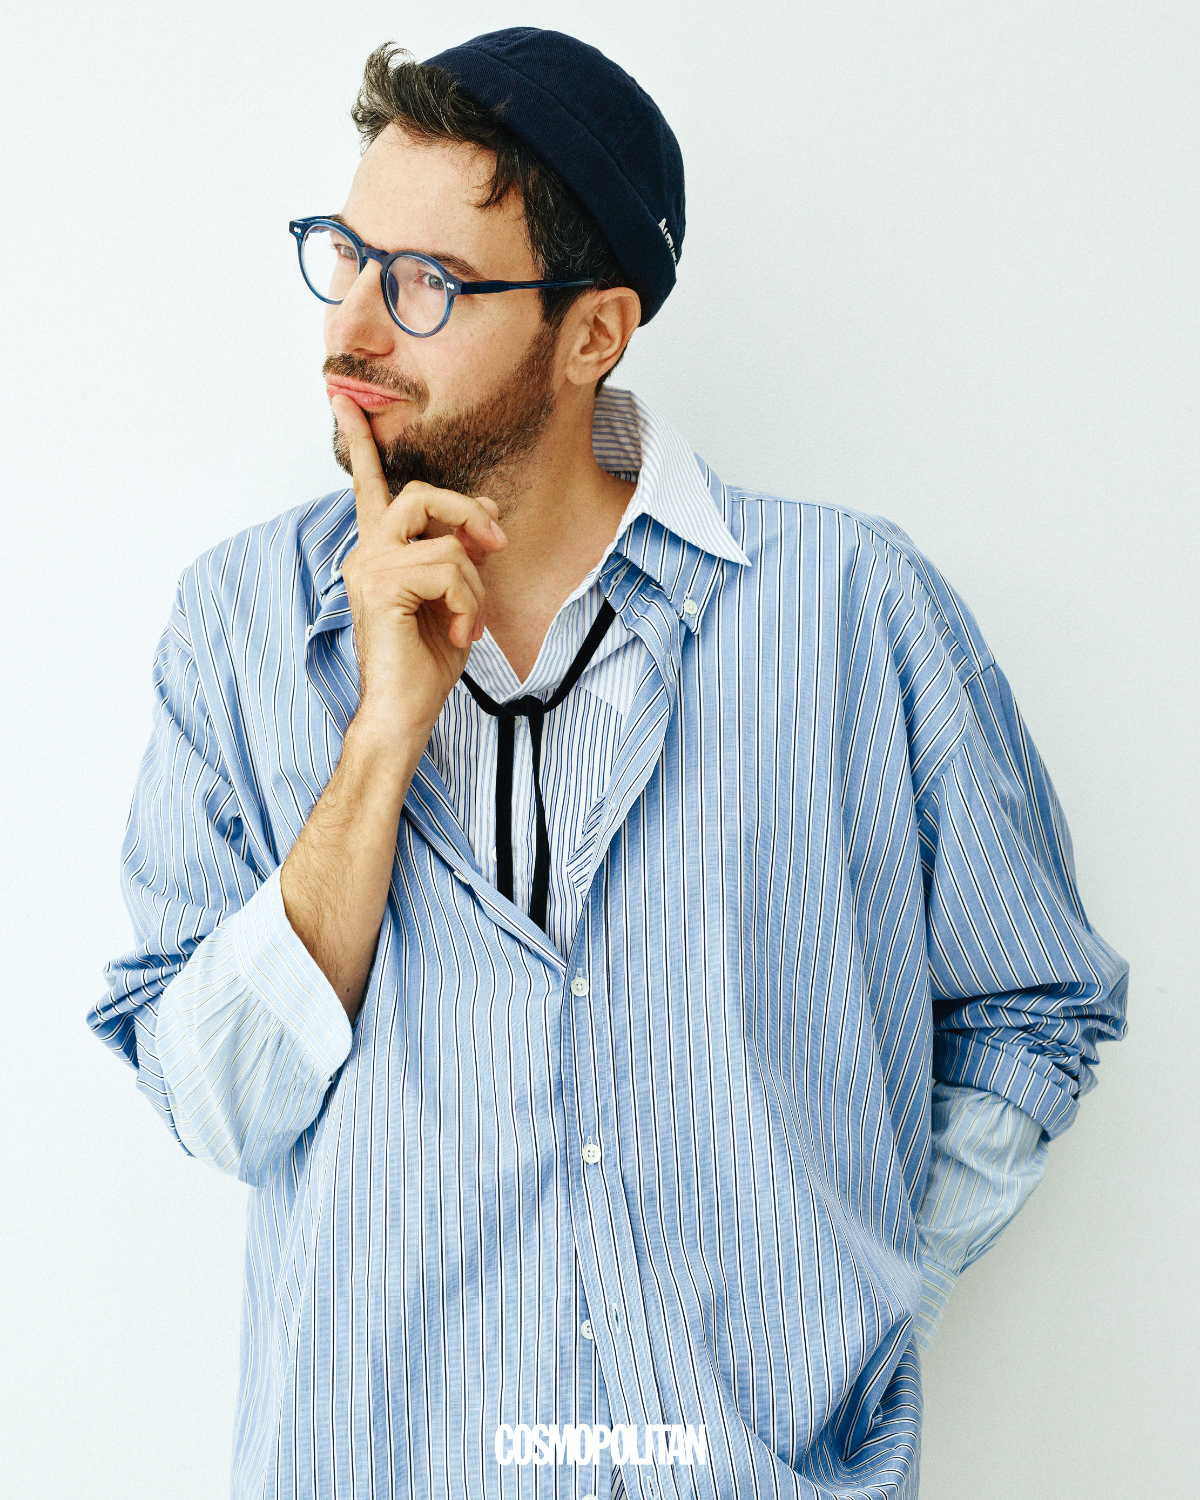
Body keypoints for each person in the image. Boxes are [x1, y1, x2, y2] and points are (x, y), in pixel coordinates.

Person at [87, 27, 1128, 1500]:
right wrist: (381, 737)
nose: (353, 329)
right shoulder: (241, 629)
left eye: (425, 283)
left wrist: (849, 1311)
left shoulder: (852, 612)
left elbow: (1033, 1006)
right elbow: (215, 1107)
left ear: (594, 334)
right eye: (347, 255)